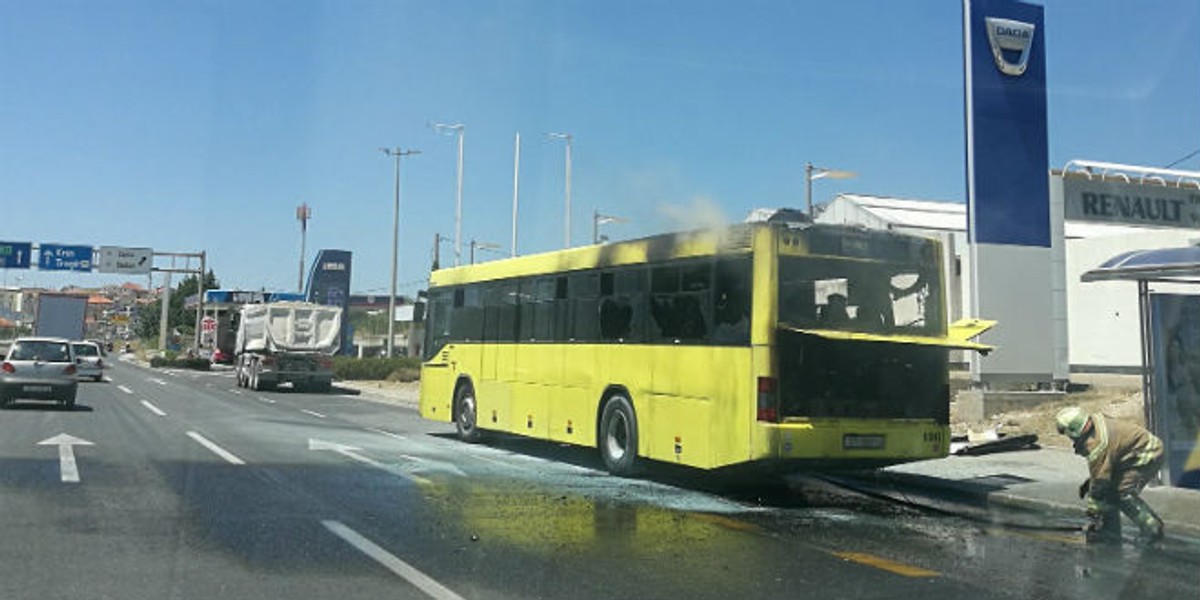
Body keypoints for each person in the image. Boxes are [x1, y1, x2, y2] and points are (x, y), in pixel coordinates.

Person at [1055, 406, 1165, 544]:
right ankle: (1110, 531)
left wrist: (1094, 509)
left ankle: (1152, 528)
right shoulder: (1095, 422)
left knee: (1122, 493)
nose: (1070, 439)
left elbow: (1100, 481)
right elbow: (1103, 470)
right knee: (1109, 491)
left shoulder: (1097, 444)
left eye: (1069, 435)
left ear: (1074, 430)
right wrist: (1092, 483)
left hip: (1147, 454)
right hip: (1129, 455)